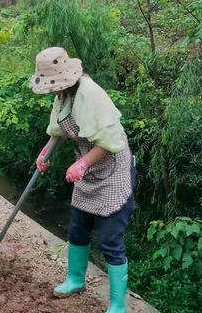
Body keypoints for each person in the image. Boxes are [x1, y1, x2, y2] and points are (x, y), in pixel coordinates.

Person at [30, 47, 135, 313]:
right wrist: (45, 152)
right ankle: (75, 280)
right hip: (87, 168)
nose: (52, 90)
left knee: (110, 238)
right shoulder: (64, 94)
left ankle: (118, 304)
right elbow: (58, 130)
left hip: (112, 169)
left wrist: (82, 163)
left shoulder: (91, 95)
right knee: (77, 228)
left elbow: (110, 142)